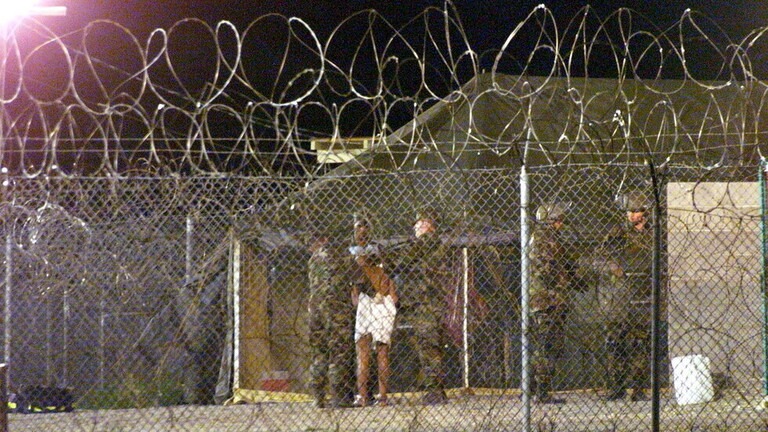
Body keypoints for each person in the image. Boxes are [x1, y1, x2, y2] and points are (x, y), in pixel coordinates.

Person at [598, 190, 654, 402]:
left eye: (636, 211)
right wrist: (614, 267)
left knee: (641, 343)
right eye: (629, 211)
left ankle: (638, 388)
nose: (632, 215)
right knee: (616, 343)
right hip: (620, 296)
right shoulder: (618, 233)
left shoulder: (652, 234)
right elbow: (600, 256)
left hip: (643, 294)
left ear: (645, 212)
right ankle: (617, 387)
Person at [393, 207, 450, 405]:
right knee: (431, 346)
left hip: (426, 303)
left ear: (427, 224)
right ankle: (436, 389)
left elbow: (403, 259)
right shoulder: (434, 244)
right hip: (431, 302)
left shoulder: (427, 241)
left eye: (418, 224)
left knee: (428, 347)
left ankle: (435, 390)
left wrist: (388, 260)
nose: (415, 228)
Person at [528, 201, 577, 404]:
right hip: (547, 301)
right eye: (558, 219)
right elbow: (545, 270)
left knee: (545, 344)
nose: (561, 223)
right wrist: (563, 277)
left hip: (546, 299)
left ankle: (534, 389)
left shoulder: (547, 238)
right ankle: (541, 391)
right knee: (548, 345)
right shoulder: (544, 239)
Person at [349, 216, 398, 407]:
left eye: (364, 228)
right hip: (375, 299)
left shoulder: (353, 253)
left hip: (372, 299)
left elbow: (357, 280)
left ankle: (370, 397)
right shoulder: (379, 250)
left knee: (372, 351)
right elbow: (389, 273)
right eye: (359, 228)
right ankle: (376, 397)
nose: (362, 232)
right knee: (373, 350)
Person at [307, 231, 356, 408]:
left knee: (319, 352)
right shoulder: (344, 256)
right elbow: (357, 277)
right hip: (337, 309)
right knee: (339, 351)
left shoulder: (313, 259)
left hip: (315, 310)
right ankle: (339, 395)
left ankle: (318, 396)